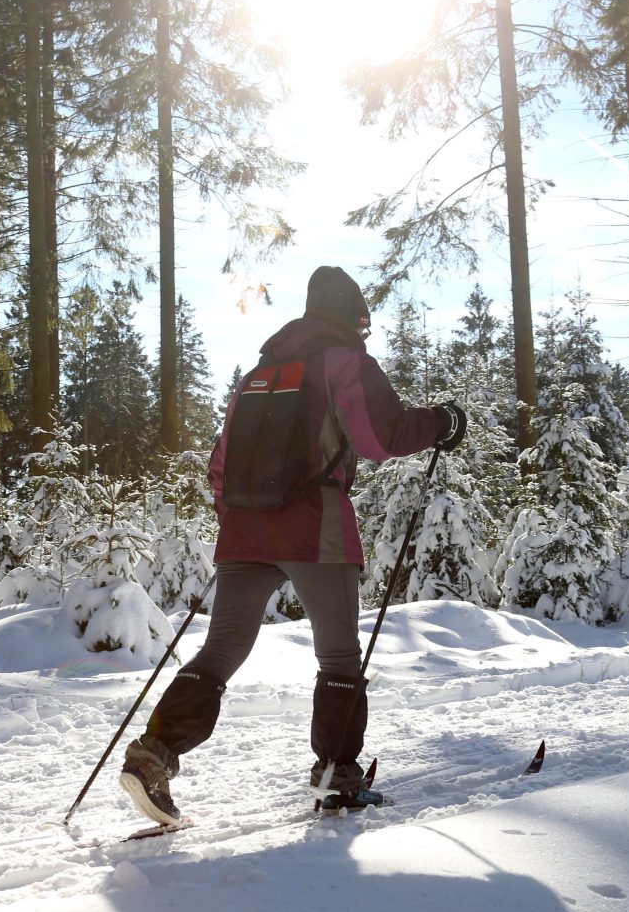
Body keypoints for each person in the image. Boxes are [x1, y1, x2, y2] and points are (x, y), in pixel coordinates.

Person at [119, 265, 466, 826]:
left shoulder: (260, 372)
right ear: (353, 318)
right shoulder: (344, 361)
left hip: (245, 530)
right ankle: (336, 779)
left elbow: (220, 465)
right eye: (363, 324)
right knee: (338, 655)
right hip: (315, 526)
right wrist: (443, 421)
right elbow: (383, 437)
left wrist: (241, 522)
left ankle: (153, 756)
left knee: (222, 650)